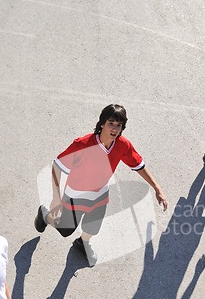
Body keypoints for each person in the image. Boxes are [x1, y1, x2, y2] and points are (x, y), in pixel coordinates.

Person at [34, 104, 168, 265]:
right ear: (102, 123)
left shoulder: (122, 145)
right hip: (75, 195)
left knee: (92, 228)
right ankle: (45, 215)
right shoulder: (83, 144)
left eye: (119, 125)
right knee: (65, 230)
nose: (115, 128)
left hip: (99, 195)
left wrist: (157, 188)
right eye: (111, 123)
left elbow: (138, 165)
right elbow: (57, 167)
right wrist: (56, 199)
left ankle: (82, 243)